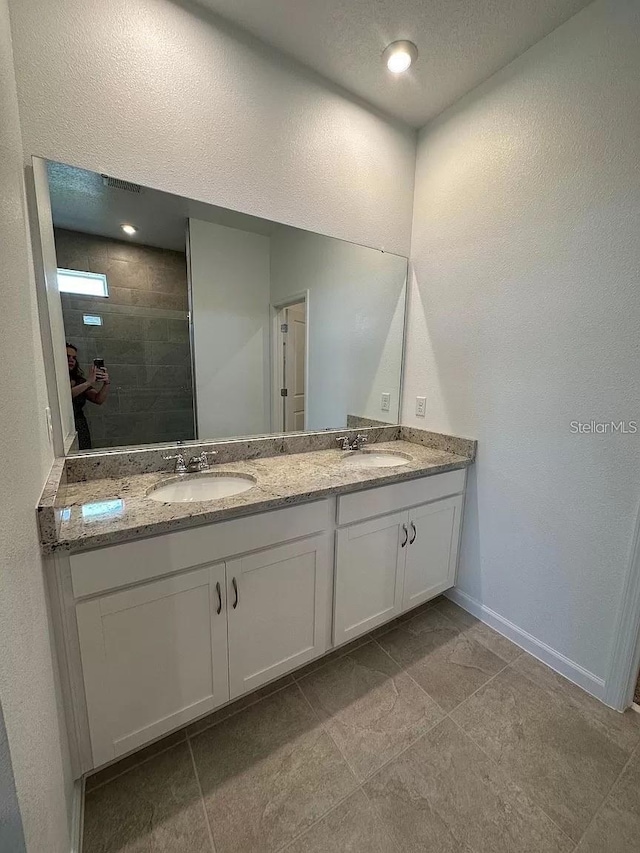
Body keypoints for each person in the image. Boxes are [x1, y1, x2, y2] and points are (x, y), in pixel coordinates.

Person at [67, 343, 110, 450]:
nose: (71, 360)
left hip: (80, 425)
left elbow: (98, 399)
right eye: (67, 357)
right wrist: (88, 382)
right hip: (66, 426)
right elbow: (66, 396)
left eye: (74, 358)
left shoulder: (79, 381)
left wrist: (106, 383)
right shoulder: (58, 380)